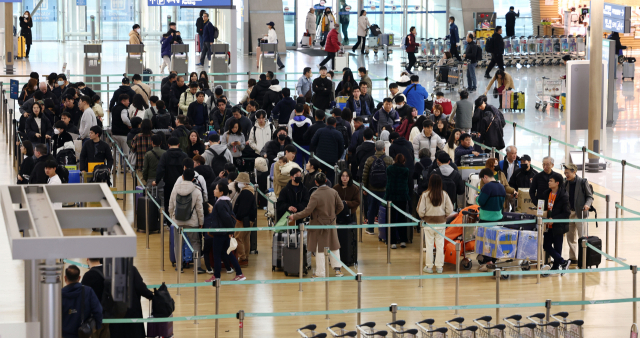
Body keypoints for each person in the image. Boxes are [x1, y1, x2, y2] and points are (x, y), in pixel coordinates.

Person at [288, 172, 344, 277]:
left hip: (319, 225)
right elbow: (341, 206)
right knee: (334, 246)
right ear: (326, 181)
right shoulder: (333, 192)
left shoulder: (315, 195)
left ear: (315, 182)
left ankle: (320, 272)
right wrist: (333, 215)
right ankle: (338, 270)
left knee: (320, 249)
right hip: (331, 223)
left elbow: (307, 211)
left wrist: (294, 216)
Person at [205, 181, 247, 282]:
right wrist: (230, 231)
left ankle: (217, 277)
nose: (214, 190)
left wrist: (229, 231)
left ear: (221, 192)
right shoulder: (227, 202)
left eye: (216, 189)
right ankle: (239, 273)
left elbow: (227, 218)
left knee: (217, 254)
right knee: (227, 253)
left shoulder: (220, 203)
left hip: (220, 233)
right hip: (225, 232)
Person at [418, 174, 454, 273]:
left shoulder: (425, 194)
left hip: (428, 223)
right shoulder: (444, 194)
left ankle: (429, 267)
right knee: (440, 245)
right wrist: (445, 215)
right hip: (441, 223)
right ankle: (439, 267)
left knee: (429, 245)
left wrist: (424, 217)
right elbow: (450, 209)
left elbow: (420, 210)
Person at [105, 265, 154, 338]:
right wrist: (151, 295)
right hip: (132, 310)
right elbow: (140, 287)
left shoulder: (108, 271)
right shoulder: (131, 269)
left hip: (115, 312)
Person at [541, 172, 572, 275]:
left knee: (558, 247)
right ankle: (563, 262)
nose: (548, 182)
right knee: (546, 245)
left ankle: (556, 267)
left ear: (557, 183)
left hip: (558, 226)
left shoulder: (563, 195)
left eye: (551, 181)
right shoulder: (546, 193)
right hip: (547, 225)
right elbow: (542, 206)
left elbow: (566, 213)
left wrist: (554, 219)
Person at [563, 163, 594, 263]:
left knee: (583, 238)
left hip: (580, 213)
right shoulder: (565, 183)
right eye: (565, 173)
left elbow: (590, 196)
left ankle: (583, 258)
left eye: (567, 173)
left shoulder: (582, 182)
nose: (566, 175)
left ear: (574, 172)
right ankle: (573, 258)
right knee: (570, 237)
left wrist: (587, 204)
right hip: (569, 214)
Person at [61, 265, 103, 338]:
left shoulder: (59, 294)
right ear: (79, 278)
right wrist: (97, 326)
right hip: (83, 333)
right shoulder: (88, 291)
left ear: (65, 278)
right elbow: (98, 310)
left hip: (65, 334)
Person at [362, 141, 394, 234]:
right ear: (384, 148)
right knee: (384, 210)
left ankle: (370, 229)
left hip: (372, 190)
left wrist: (364, 188)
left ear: (375, 148)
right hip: (385, 189)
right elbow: (391, 176)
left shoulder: (369, 159)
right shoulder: (389, 160)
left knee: (371, 209)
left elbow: (365, 175)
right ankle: (383, 231)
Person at [155, 137, 189, 216]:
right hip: (182, 183)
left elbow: (160, 169)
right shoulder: (184, 155)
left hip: (168, 183)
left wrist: (157, 181)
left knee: (168, 202)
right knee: (182, 202)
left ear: (168, 145)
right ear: (178, 144)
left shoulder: (165, 155)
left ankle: (169, 221)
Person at [385, 153, 411, 248]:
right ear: (404, 161)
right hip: (402, 197)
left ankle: (392, 242)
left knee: (390, 219)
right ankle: (403, 240)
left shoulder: (389, 169)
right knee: (401, 218)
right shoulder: (406, 170)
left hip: (391, 196)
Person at [80, 258, 110, 338]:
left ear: (87, 259)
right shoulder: (109, 271)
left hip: (94, 319)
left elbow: (83, 298)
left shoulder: (88, 276)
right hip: (109, 315)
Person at [311, 116, 344, 181]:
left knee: (319, 176)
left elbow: (313, 142)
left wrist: (317, 152)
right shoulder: (338, 134)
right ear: (335, 124)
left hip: (320, 158)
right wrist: (338, 157)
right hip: (332, 159)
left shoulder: (319, 131)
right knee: (331, 177)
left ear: (326, 123)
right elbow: (341, 148)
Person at [111, 94, 132, 171]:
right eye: (127, 101)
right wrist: (130, 125)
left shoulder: (114, 108)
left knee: (115, 151)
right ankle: (124, 167)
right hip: (123, 134)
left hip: (115, 133)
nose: (129, 102)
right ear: (123, 101)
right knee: (126, 152)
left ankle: (115, 167)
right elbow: (125, 119)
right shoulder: (123, 109)